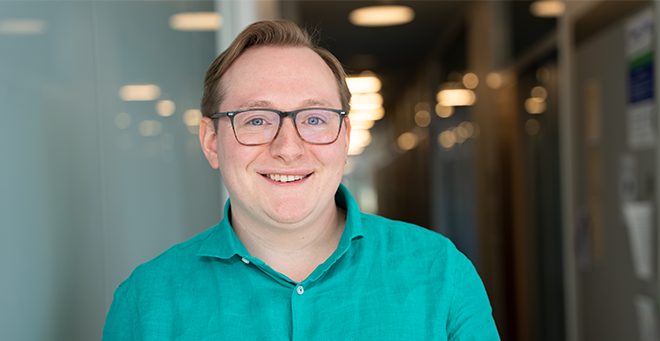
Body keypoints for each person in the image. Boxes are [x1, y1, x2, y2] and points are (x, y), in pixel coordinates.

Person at [103, 19, 500, 340]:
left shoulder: (441, 273)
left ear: (345, 139)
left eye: (313, 119)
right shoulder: (146, 302)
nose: (288, 148)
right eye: (257, 120)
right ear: (211, 141)